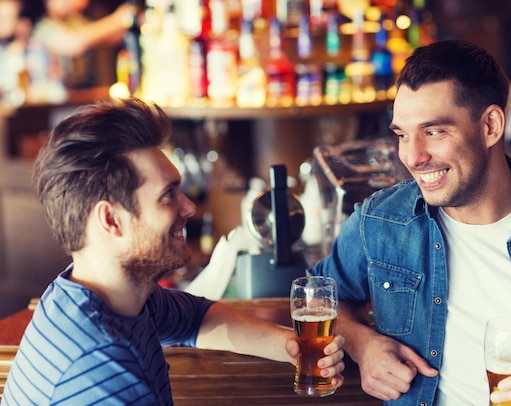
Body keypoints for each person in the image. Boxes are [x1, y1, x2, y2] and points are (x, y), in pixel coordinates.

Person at [309, 39, 511, 405]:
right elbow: (319, 298)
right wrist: (363, 344)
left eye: (434, 131)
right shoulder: (380, 221)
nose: (412, 157)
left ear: (491, 126)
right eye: (402, 135)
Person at [1, 97, 345, 405]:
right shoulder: (100, 370)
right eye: (168, 195)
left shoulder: (109, 297)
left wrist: (292, 347)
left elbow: (195, 319)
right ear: (111, 220)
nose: (189, 207)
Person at [30, 0, 133, 89]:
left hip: (81, 95)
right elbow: (76, 43)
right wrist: (119, 19)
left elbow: (110, 38)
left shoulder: (74, 20)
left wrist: (131, 22)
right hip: (55, 103)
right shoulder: (42, 26)